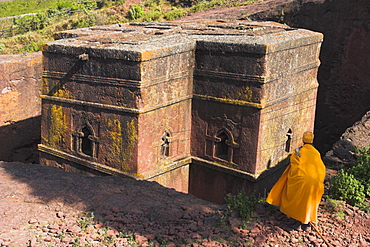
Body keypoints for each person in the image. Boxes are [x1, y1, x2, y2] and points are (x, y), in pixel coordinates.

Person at [266, 131, 326, 230]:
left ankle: (298, 222)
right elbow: (321, 167)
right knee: (310, 201)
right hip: (316, 180)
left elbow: (294, 167)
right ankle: (306, 223)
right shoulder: (316, 152)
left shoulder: (298, 151)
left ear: (303, 140)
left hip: (303, 180)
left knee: (299, 200)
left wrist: (292, 178)